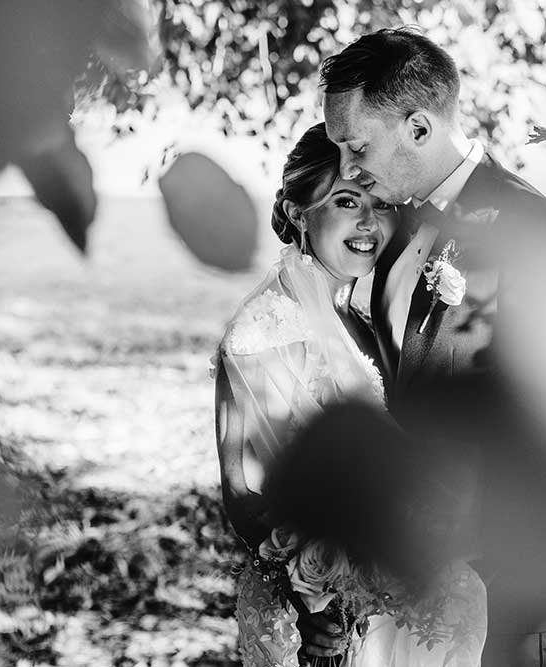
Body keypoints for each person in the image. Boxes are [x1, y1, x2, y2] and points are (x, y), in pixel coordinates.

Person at [320, 27, 546, 667]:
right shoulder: (394, 224)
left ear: (419, 127)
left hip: (514, 577)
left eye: (357, 145)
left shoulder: (529, 228)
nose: (347, 168)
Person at [214, 122, 486, 667]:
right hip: (331, 617)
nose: (369, 222)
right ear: (297, 213)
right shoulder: (268, 328)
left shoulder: (352, 314)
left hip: (384, 599)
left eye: (380, 203)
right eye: (345, 200)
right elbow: (249, 492)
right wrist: (317, 600)